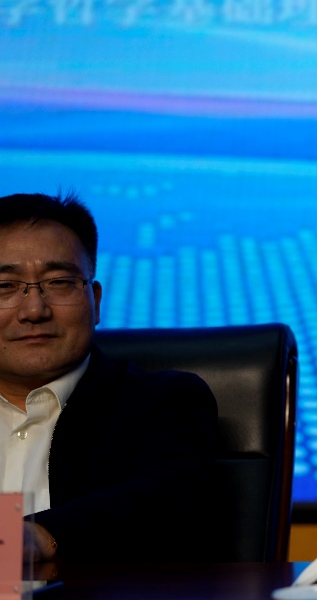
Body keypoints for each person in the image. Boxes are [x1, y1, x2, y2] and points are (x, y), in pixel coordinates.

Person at [0, 192, 221, 563]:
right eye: (5, 286)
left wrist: (36, 536)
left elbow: (161, 500)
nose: (34, 310)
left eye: (59, 282)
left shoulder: (165, 403)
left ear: (96, 300)